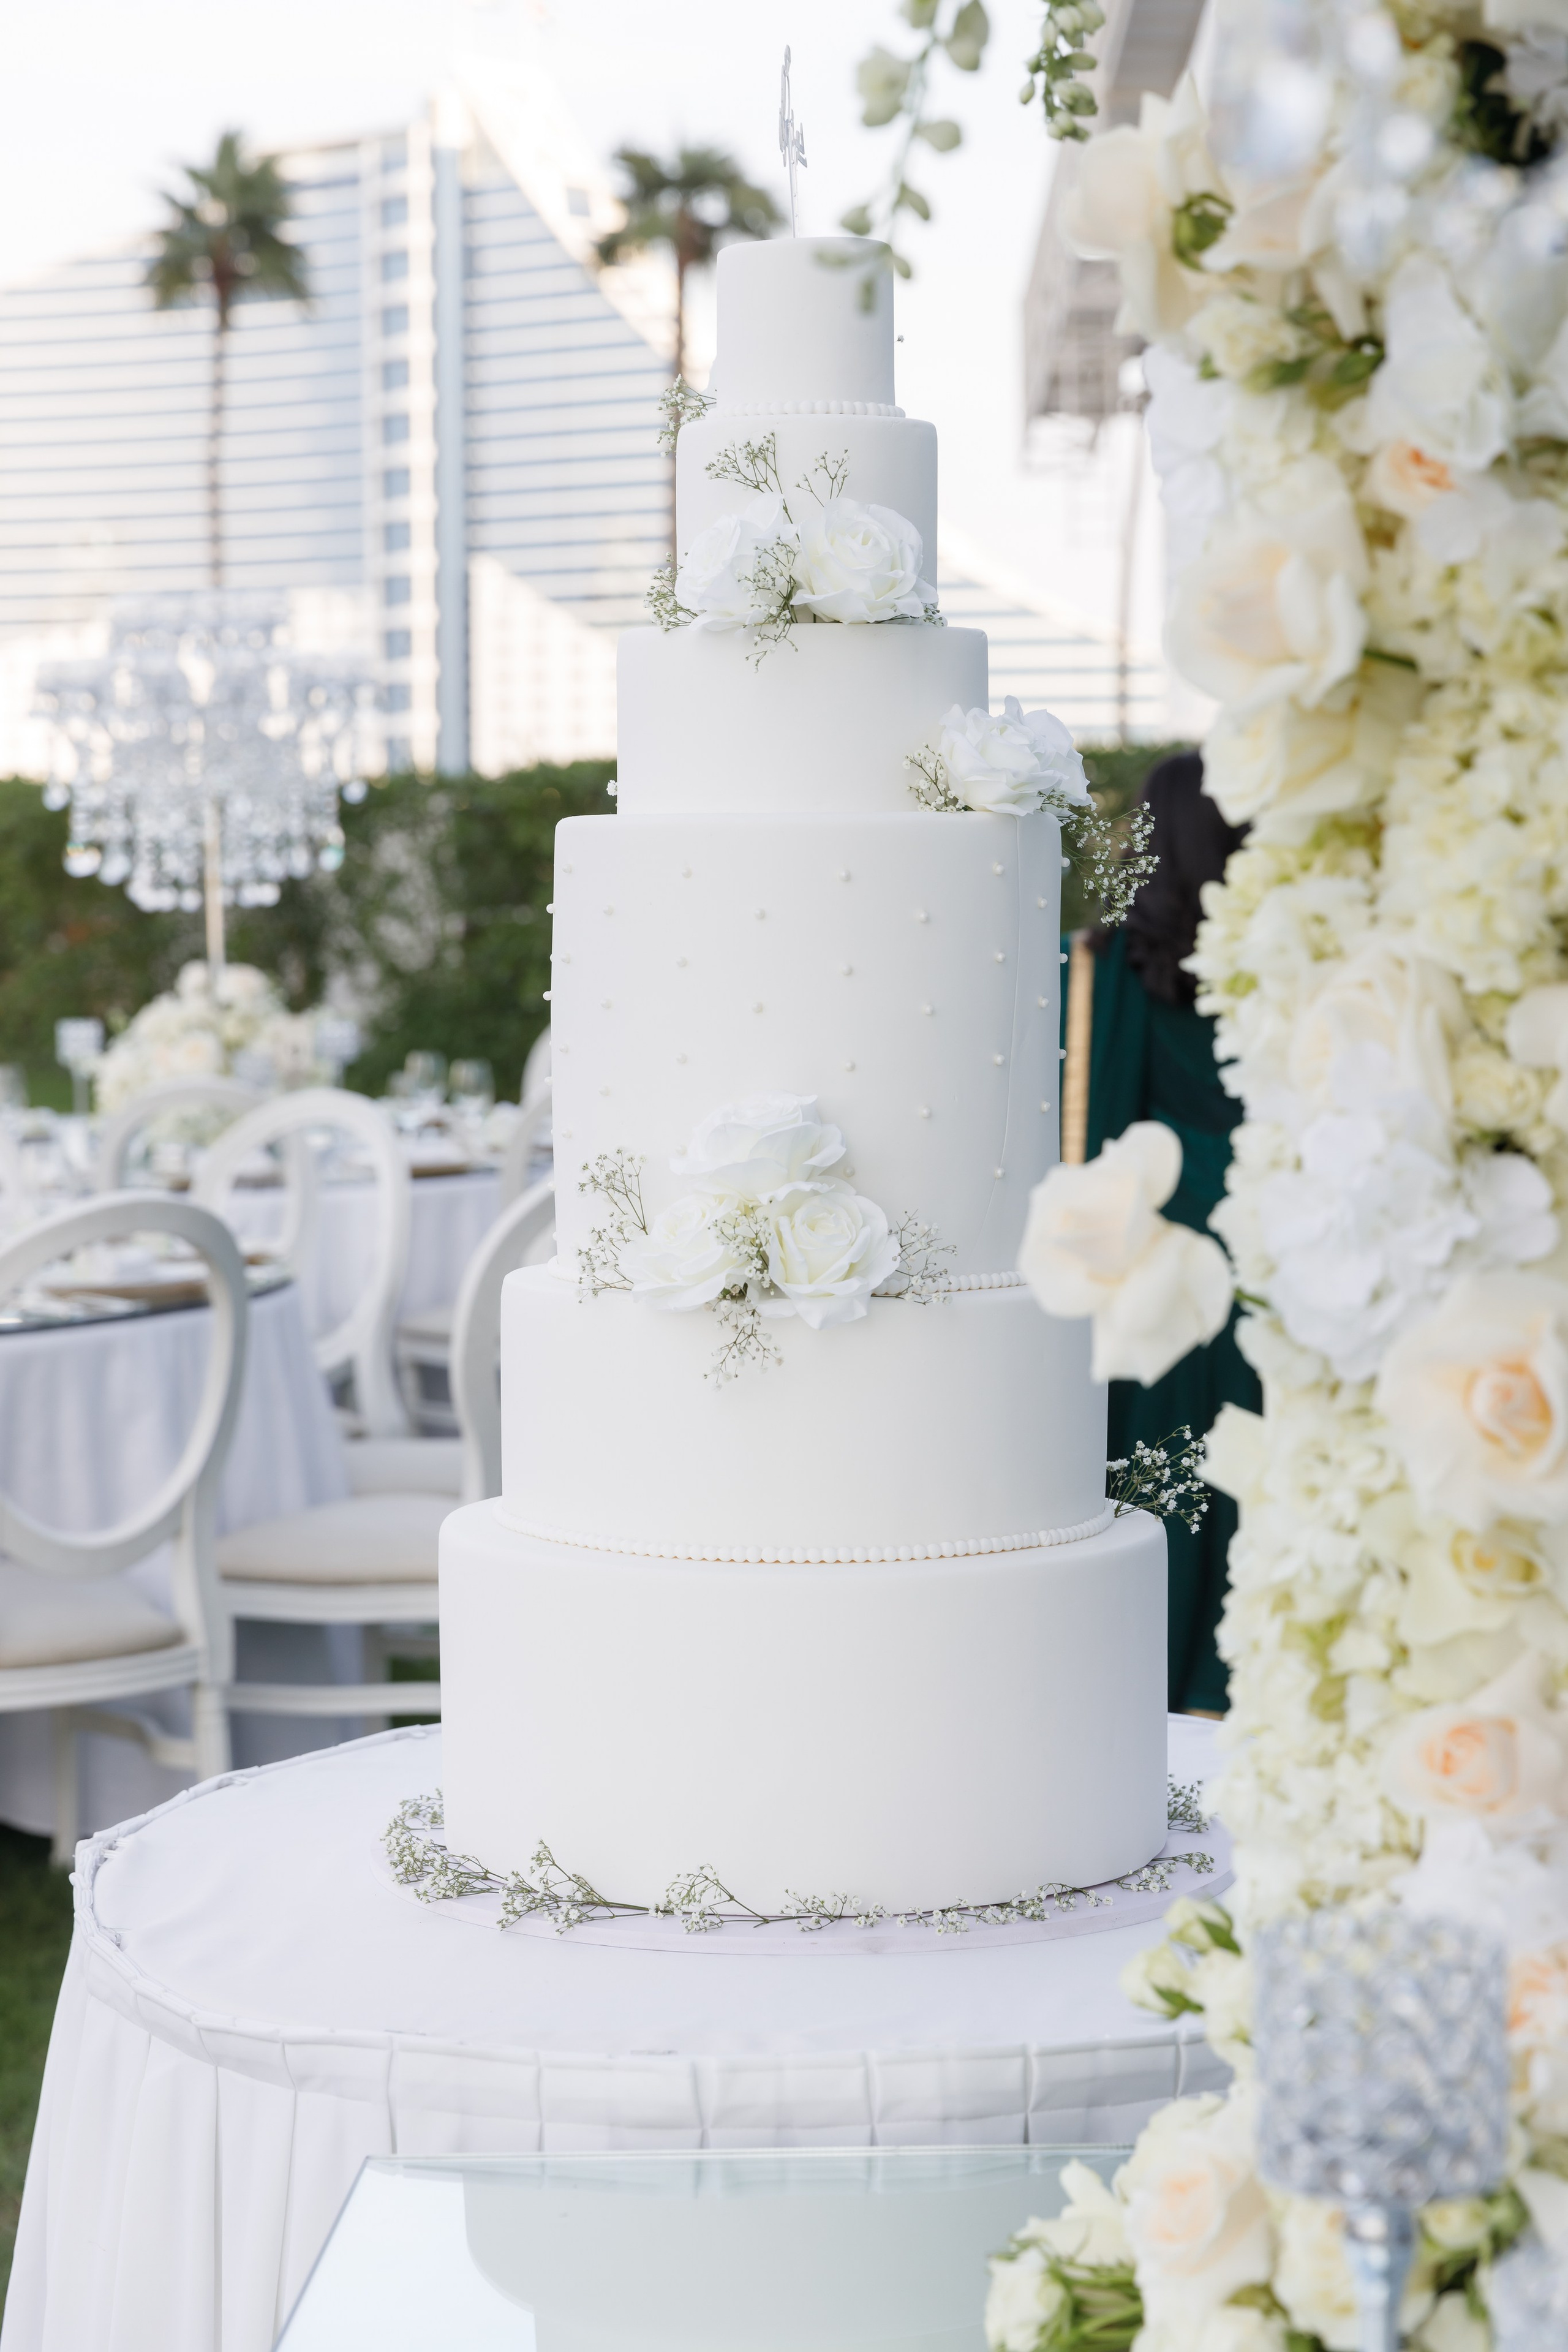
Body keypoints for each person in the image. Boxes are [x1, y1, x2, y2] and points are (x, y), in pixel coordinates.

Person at [1064, 751, 1259, 1715]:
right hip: (1271, 1280)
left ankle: (1137, 1698)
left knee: (1159, 1499)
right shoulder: (1293, 973)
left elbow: (1088, 1144)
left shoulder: (1099, 975)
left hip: (1156, 1300)